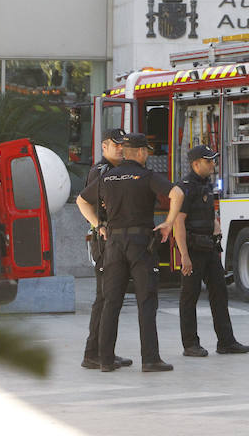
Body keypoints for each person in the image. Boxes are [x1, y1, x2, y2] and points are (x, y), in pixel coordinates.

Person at [76, 133, 184, 372]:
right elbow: (177, 194)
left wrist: (98, 225)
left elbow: (81, 201)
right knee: (146, 301)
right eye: (146, 150)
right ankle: (150, 359)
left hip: (113, 244)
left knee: (111, 302)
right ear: (141, 152)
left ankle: (105, 360)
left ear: (125, 151)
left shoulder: (107, 177)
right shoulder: (146, 176)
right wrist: (168, 222)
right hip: (140, 244)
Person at [178, 145, 249, 357]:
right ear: (196, 164)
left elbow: (210, 215)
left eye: (213, 161)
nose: (212, 165)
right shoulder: (185, 187)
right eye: (208, 161)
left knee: (220, 292)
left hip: (209, 247)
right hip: (192, 249)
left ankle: (226, 342)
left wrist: (216, 230)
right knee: (189, 297)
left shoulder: (207, 185)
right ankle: (190, 344)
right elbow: (178, 223)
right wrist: (184, 255)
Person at [80, 128, 133, 370]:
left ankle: (105, 351)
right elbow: (84, 202)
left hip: (116, 242)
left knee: (112, 298)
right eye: (116, 144)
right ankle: (93, 354)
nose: (121, 148)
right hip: (104, 244)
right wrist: (98, 225)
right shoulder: (100, 172)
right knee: (103, 299)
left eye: (123, 145)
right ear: (104, 147)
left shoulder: (119, 172)